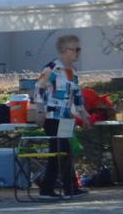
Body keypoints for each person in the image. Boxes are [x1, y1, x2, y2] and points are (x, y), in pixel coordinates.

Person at [34, 35, 91, 201]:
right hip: (52, 117)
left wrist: (84, 114)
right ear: (64, 51)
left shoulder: (71, 71)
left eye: (79, 49)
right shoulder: (53, 68)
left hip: (66, 117)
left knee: (65, 152)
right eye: (75, 49)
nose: (78, 53)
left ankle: (69, 187)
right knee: (59, 151)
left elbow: (77, 95)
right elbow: (39, 88)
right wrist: (39, 110)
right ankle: (50, 189)